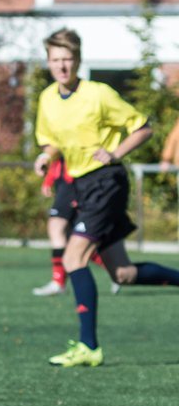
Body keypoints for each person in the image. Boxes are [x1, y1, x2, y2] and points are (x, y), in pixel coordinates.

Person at [34, 28, 179, 368]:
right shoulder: (47, 99)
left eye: (67, 59)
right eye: (56, 60)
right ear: (48, 62)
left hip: (106, 182)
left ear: (78, 60)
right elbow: (51, 141)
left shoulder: (99, 94)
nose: (62, 66)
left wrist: (115, 153)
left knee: (73, 258)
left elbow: (143, 127)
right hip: (82, 184)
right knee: (123, 274)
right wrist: (47, 157)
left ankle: (88, 347)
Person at [31, 154, 119, 296]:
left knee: (56, 227)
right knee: (75, 240)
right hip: (65, 181)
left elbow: (63, 147)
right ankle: (116, 271)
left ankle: (58, 282)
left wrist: (46, 156)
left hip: (74, 181)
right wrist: (49, 178)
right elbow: (58, 152)